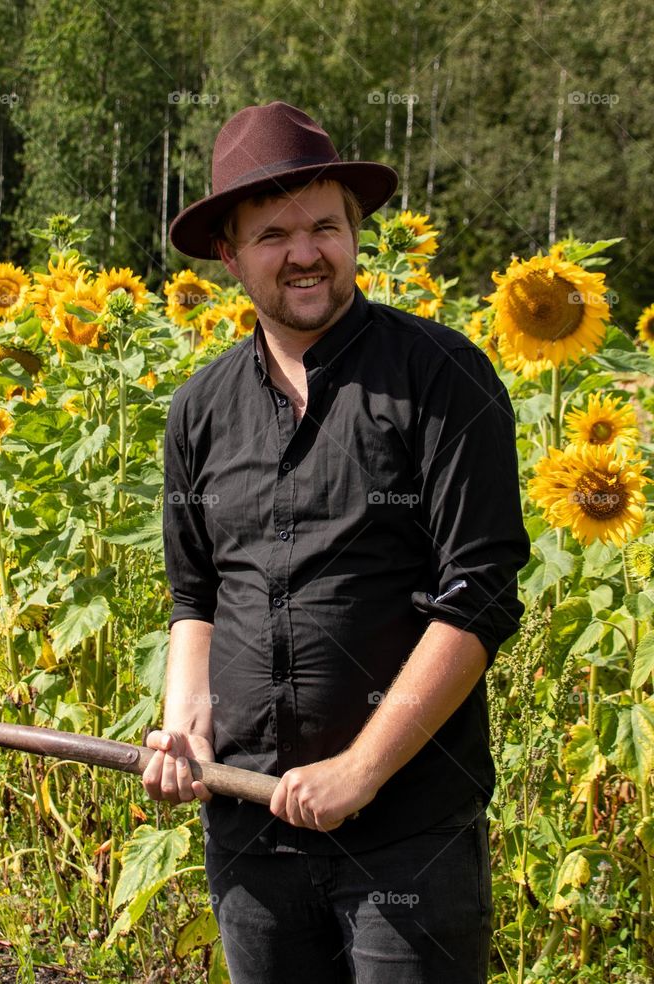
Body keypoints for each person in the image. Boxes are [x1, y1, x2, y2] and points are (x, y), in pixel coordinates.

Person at [141, 101, 530, 983]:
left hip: (409, 837)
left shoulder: (440, 377)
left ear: (356, 232)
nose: (306, 252)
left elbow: (481, 595)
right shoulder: (199, 411)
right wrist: (182, 729)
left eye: (325, 225)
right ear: (229, 256)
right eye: (273, 234)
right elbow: (195, 596)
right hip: (249, 839)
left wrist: (361, 768)